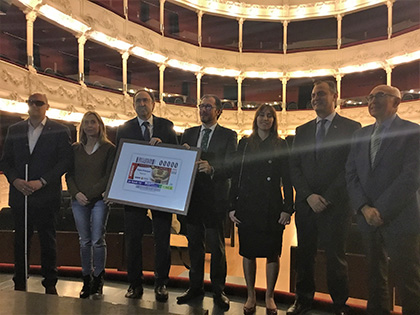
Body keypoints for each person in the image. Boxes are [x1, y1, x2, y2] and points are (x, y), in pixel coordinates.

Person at [346, 85, 420, 314]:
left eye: (379, 96)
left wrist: (381, 210)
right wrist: (364, 208)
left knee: (409, 280)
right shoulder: (360, 135)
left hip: (400, 218)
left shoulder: (412, 132)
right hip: (367, 219)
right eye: (369, 97)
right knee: (375, 278)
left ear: (397, 102)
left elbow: (411, 176)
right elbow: (351, 173)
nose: (372, 100)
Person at [288, 80, 361, 315]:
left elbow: (350, 167)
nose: (315, 98)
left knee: (335, 258)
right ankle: (303, 300)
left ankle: (339, 304)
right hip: (307, 205)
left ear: (335, 97)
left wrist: (326, 197)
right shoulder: (303, 130)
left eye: (320, 93)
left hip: (336, 206)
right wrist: (309, 196)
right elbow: (295, 168)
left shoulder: (352, 128)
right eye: (312, 95)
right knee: (305, 256)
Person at [0, 93, 72, 294]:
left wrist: (42, 182)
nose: (34, 106)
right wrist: (15, 180)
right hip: (20, 194)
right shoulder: (15, 130)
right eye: (31, 102)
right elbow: (5, 160)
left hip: (46, 195)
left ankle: (50, 282)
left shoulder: (59, 130)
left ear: (47, 106)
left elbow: (65, 161)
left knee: (48, 240)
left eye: (39, 103)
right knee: (20, 240)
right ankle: (20, 280)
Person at [229, 104, 294, 315]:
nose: (265, 119)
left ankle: (269, 296)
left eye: (269, 116)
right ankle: (250, 295)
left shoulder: (281, 144)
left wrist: (288, 208)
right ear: (255, 119)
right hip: (247, 205)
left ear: (274, 121)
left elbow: (287, 178)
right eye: (262, 116)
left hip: (272, 205)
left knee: (272, 252)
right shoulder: (245, 144)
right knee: (248, 252)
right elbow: (236, 176)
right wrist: (232, 206)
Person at [116, 89, 178, 302]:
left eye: (145, 100)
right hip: (134, 192)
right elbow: (120, 159)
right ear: (134, 105)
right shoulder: (124, 128)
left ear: (153, 104)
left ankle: (161, 283)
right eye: (138, 101)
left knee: (162, 239)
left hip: (161, 192)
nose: (142, 104)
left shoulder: (167, 126)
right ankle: (135, 283)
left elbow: (177, 156)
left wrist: (164, 145)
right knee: (133, 239)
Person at [177, 94, 237, 311]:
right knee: (194, 245)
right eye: (201, 106)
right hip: (192, 199)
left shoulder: (229, 135)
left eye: (208, 106)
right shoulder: (189, 133)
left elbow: (232, 166)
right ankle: (195, 287)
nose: (203, 110)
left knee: (217, 248)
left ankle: (218, 290)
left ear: (218, 111)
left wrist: (213, 169)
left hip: (215, 199)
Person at [65, 111, 116, 299]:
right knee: (84, 241)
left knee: (97, 240)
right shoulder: (75, 149)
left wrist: (90, 193)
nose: (89, 125)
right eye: (86, 122)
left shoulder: (109, 148)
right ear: (82, 127)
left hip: (99, 201)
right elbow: (69, 175)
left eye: (93, 122)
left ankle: (98, 277)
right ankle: (86, 278)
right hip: (78, 200)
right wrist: (76, 193)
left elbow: (108, 176)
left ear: (99, 125)